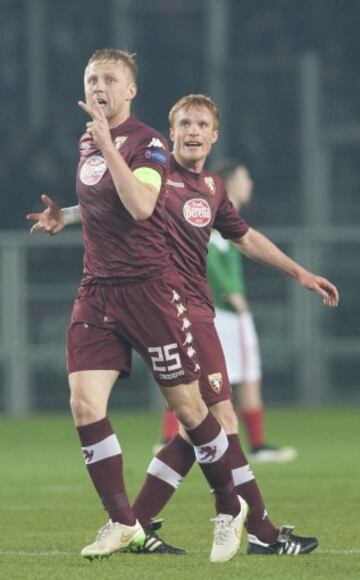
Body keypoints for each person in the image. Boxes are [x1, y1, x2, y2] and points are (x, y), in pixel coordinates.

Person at [31, 94, 338, 557]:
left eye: (202, 125)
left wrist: (300, 273)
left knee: (203, 421)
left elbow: (247, 238)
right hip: (163, 306)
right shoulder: (153, 171)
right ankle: (258, 528)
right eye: (184, 124)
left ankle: (142, 521)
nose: (193, 132)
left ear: (214, 135)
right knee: (215, 419)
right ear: (169, 133)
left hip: (195, 309)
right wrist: (68, 216)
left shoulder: (213, 187)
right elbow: (109, 203)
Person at [27, 52, 248, 564]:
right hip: (98, 289)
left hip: (150, 291)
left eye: (110, 79)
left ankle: (227, 505)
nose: (99, 86)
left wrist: (108, 144)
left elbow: (142, 205)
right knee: (83, 404)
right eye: (91, 79)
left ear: (130, 91)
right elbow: (107, 202)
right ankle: (124, 522)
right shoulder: (87, 141)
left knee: (191, 412)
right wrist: (68, 214)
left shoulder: (148, 143)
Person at [207, 159, 297, 463]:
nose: (250, 183)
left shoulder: (229, 216)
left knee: (245, 375)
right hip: (220, 312)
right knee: (208, 380)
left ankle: (257, 445)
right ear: (229, 182)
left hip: (227, 312)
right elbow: (205, 253)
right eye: (245, 177)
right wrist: (227, 291)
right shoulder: (212, 213)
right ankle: (172, 440)